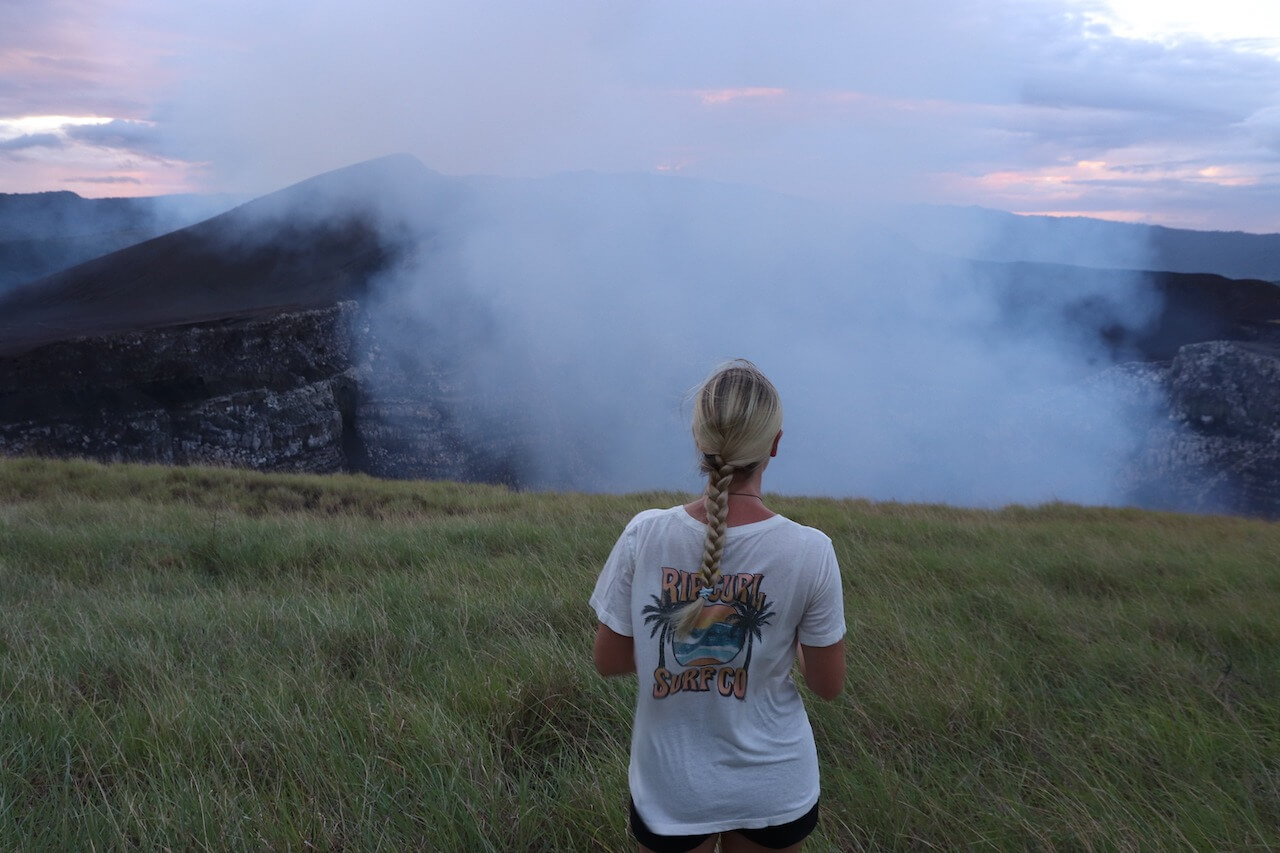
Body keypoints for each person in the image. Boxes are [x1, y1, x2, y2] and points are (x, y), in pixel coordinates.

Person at [590, 359, 846, 853]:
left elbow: (609, 660)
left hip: (672, 788)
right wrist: (783, 645)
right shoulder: (811, 550)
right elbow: (827, 685)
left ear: (698, 438)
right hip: (774, 785)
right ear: (774, 444)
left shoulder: (646, 533)